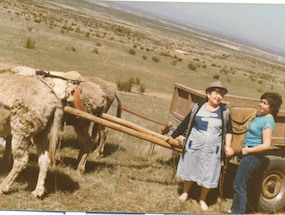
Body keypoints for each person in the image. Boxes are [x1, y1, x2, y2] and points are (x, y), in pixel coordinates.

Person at [166, 81, 234, 211]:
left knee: (209, 172)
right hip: (194, 145)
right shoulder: (198, 107)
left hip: (213, 149)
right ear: (208, 94)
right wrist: (173, 136)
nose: (219, 97)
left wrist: (228, 146)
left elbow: (229, 130)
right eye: (216, 93)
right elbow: (185, 123)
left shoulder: (224, 111)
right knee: (190, 167)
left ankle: (202, 199)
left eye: (221, 95)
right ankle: (185, 193)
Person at [229, 92, 282, 214]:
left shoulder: (268, 122)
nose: (261, 105)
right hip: (249, 154)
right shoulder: (261, 116)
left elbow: (266, 145)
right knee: (241, 184)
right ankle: (236, 210)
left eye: (265, 103)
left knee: (239, 185)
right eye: (261, 101)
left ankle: (237, 212)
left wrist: (248, 150)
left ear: (273, 107)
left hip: (253, 156)